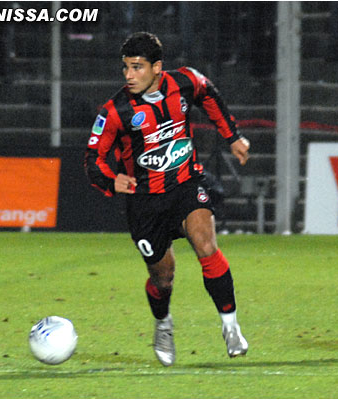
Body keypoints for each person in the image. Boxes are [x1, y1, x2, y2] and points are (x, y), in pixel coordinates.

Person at [84, 32, 250, 366]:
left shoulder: (186, 82)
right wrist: (111, 179)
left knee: (206, 245)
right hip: (145, 202)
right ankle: (163, 322)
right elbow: (92, 159)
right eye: (126, 68)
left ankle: (230, 325)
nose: (129, 75)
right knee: (164, 278)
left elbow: (210, 95)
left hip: (186, 184)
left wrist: (232, 135)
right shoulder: (116, 111)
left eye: (137, 67)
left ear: (157, 67)